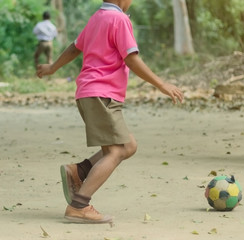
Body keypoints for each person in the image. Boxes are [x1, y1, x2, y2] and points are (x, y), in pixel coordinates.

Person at [36, 0, 184, 223]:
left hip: (94, 93)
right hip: (100, 94)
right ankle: (79, 205)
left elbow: (75, 46)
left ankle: (80, 171)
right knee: (115, 151)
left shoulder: (98, 17)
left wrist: (52, 67)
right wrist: (161, 84)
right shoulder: (119, 19)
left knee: (128, 145)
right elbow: (131, 59)